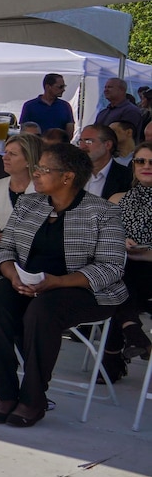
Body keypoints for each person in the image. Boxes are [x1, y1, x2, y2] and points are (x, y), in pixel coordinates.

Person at [0, 143, 128, 427]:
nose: (35, 173)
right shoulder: (28, 203)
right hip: (26, 281)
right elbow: (5, 249)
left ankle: (33, 399)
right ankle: (6, 393)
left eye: (43, 170)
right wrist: (13, 276)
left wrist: (57, 282)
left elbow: (110, 267)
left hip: (81, 289)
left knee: (42, 310)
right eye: (36, 168)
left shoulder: (103, 212)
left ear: (67, 177)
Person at [106, 141, 152, 375]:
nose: (146, 166)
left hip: (148, 271)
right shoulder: (116, 199)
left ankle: (113, 356)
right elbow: (101, 239)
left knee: (120, 282)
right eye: (140, 161)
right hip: (120, 268)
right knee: (118, 277)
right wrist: (120, 242)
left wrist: (146, 253)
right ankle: (132, 332)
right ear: (133, 165)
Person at [0, 133, 41, 231]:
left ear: (29, 159)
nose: (5, 157)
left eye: (12, 154)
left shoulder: (44, 190)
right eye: (5, 152)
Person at [80, 123, 132, 198]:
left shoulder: (127, 177)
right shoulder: (73, 172)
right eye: (80, 141)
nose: (82, 146)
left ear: (108, 145)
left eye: (88, 141)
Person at [18, 73, 75, 137]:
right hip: (36, 145)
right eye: (60, 87)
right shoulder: (29, 106)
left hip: (59, 146)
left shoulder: (65, 106)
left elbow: (70, 131)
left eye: (64, 86)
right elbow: (24, 131)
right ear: (48, 87)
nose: (63, 90)